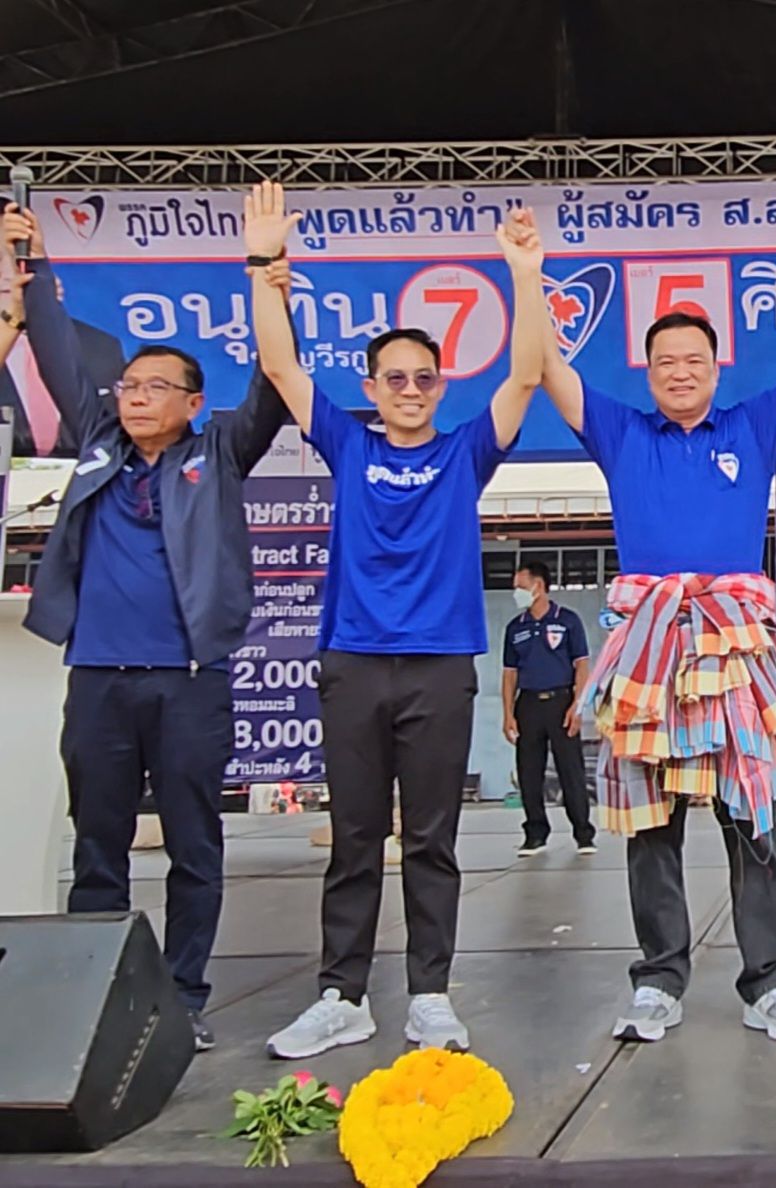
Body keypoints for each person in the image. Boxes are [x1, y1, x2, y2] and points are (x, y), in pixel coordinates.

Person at [539, 217, 776, 1048]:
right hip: (647, 643)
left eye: (695, 361)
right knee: (651, 820)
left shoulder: (753, 427)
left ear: (716, 369)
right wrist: (525, 269)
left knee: (755, 810)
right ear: (647, 373)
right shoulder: (620, 432)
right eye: (666, 362)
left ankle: (771, 980)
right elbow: (548, 367)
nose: (681, 373)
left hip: (735, 642)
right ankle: (659, 978)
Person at [249, 182, 549, 1057]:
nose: (411, 389)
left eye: (425, 377)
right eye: (396, 378)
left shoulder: (465, 451)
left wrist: (525, 274)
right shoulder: (350, 442)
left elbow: (527, 372)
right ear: (372, 387)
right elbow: (278, 367)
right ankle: (343, 994)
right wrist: (266, 269)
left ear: (440, 384)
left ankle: (429, 993)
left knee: (431, 837)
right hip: (351, 660)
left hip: (438, 666)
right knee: (352, 836)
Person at [6, 202, 291, 1053]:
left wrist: (263, 273)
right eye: (128, 386)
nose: (134, 398)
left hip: (187, 684)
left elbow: (276, 383)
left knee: (194, 846)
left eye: (153, 387)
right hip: (97, 678)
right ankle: (91, 997)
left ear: (192, 402)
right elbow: (53, 345)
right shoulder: (98, 442)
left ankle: (183, 997)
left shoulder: (220, 452)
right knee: (98, 845)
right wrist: (36, 261)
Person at [1, 210, 125, 458]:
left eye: (15, 256)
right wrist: (13, 319)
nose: (8, 271)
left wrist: (42, 304)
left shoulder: (100, 345)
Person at [501, 559, 595, 857]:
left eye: (520, 586)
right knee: (529, 771)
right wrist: (507, 714)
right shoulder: (515, 628)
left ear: (538, 586)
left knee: (571, 770)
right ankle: (535, 834)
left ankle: (583, 833)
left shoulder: (567, 620)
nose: (516, 592)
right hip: (528, 703)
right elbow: (509, 673)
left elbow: (581, 665)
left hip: (561, 701)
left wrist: (577, 706)